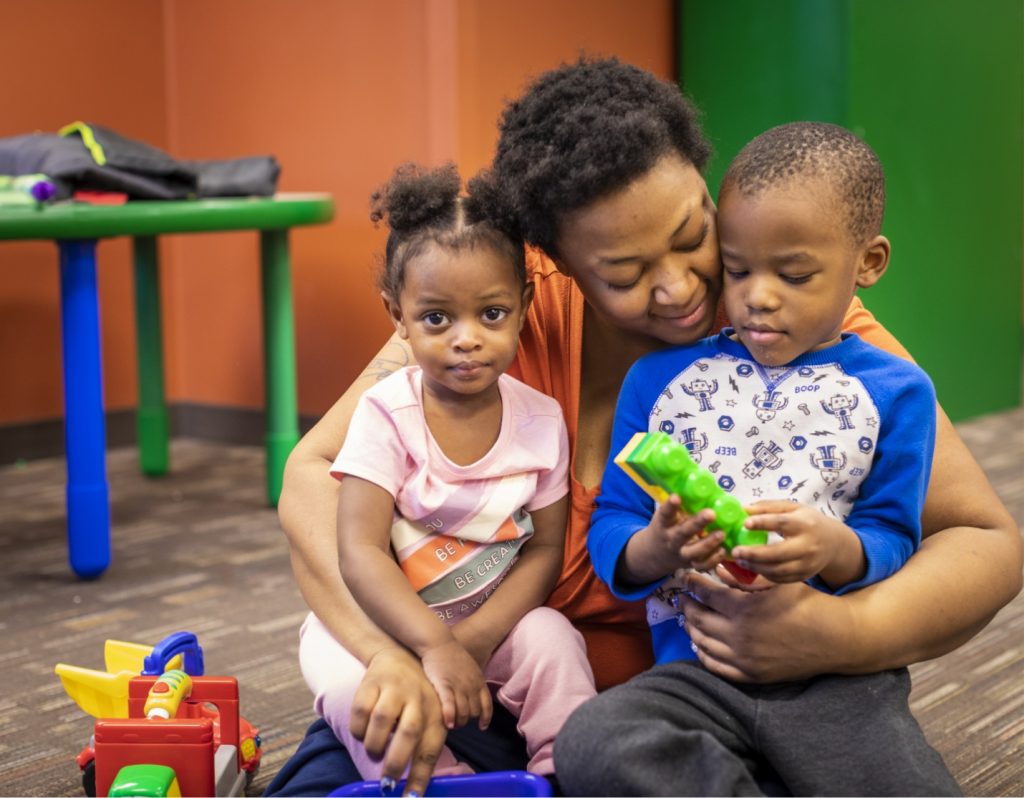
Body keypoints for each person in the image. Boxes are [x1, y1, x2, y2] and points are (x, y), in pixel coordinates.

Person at [268, 58, 1020, 798]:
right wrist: (392, 656)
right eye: (623, 275)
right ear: (553, 262)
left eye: (694, 235)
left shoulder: (788, 325)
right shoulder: (494, 314)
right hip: (470, 684)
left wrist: (840, 636)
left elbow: (984, 544)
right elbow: (313, 479)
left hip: (698, 715)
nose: (682, 288)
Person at [554, 122, 960, 796]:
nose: (757, 296)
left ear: (869, 263)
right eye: (737, 269)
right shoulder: (657, 384)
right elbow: (612, 526)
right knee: (595, 740)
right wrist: (655, 548)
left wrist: (835, 549)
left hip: (837, 680)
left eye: (793, 274)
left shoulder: (896, 392)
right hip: (693, 677)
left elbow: (893, 535)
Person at [300, 163, 595, 786]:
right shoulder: (386, 414)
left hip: (490, 621)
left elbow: (544, 548)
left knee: (554, 641)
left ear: (524, 306)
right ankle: (434, 780)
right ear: (397, 316)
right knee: (355, 688)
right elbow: (357, 550)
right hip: (387, 620)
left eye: (491, 314)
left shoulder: (541, 422)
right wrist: (430, 645)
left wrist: (480, 639)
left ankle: (564, 771)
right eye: (437, 318)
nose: (467, 339)